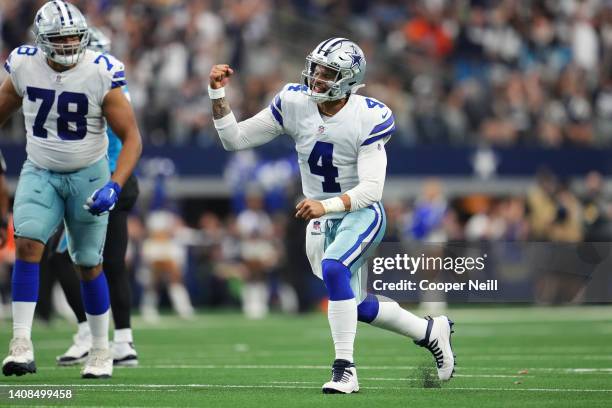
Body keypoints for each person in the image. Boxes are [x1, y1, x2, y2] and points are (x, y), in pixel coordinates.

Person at [208, 37, 455, 394]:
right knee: (352, 304)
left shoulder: (368, 115)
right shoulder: (294, 102)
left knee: (335, 268)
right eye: (316, 69)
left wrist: (326, 205)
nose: (316, 78)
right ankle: (430, 332)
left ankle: (345, 371)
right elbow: (234, 139)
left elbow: (372, 189)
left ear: (349, 80)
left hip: (360, 211)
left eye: (327, 73)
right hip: (321, 217)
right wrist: (217, 96)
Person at [0, 1, 142, 379]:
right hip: (40, 169)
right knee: (28, 244)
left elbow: (132, 138)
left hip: (88, 173)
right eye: (58, 38)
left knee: (88, 263)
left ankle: (100, 348)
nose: (66, 45)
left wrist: (115, 184)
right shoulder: (24, 64)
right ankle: (20, 344)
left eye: (72, 37)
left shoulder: (100, 70)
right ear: (41, 40)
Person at [53, 26, 140, 368]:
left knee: (84, 261)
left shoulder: (103, 83)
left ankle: (97, 336)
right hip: (111, 179)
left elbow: (121, 141)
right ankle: (118, 339)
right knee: (108, 264)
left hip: (106, 180)